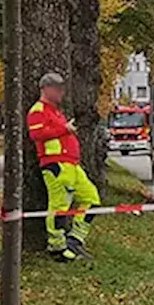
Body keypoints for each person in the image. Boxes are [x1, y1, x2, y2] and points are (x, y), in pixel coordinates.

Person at [27, 72, 101, 262]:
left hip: (71, 165)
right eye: (57, 88)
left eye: (62, 88)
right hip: (56, 165)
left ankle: (75, 240)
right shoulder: (38, 110)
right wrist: (64, 130)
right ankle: (57, 248)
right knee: (59, 206)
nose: (62, 92)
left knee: (91, 198)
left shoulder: (56, 111)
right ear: (46, 89)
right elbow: (36, 135)